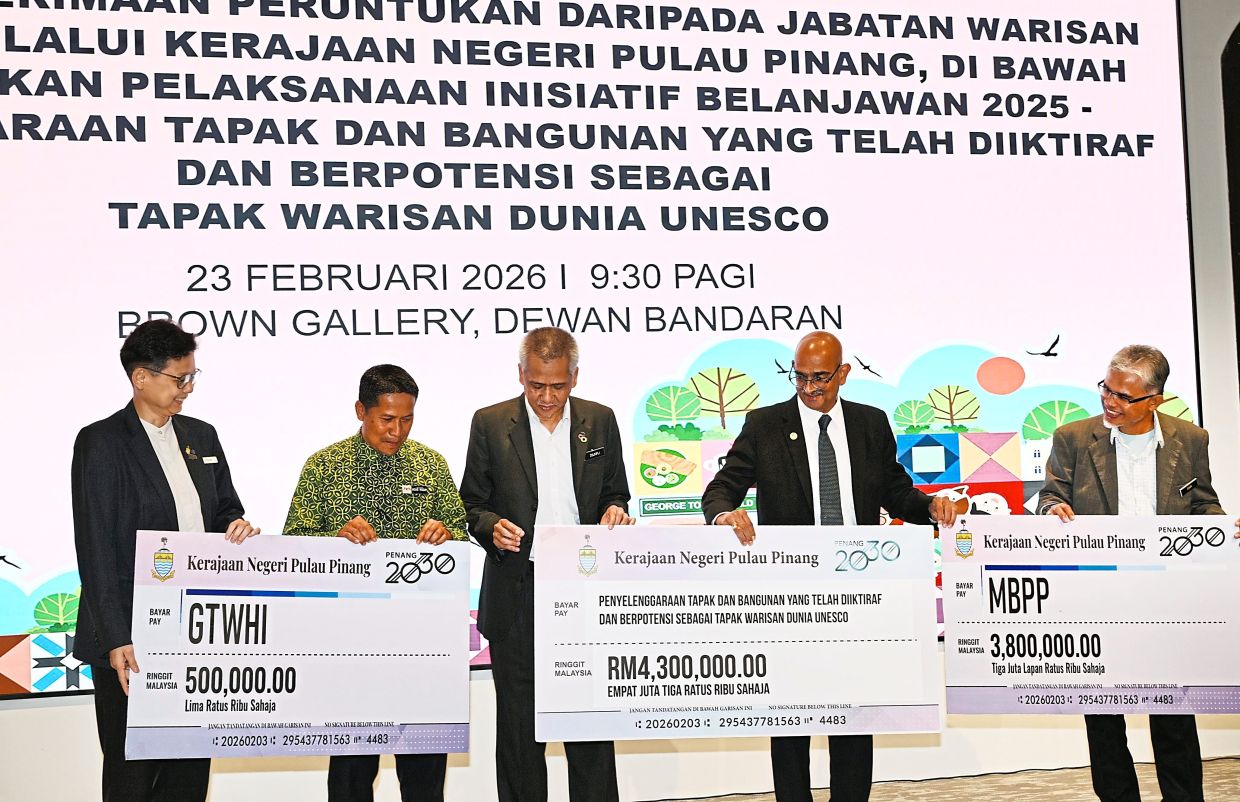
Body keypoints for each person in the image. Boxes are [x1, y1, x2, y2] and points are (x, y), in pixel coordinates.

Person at [701, 331, 957, 802]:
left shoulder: (870, 423)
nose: (808, 387)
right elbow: (720, 489)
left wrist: (931, 506)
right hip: (789, 595)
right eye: (799, 376)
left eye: (819, 377)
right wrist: (724, 513)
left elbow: (895, 492)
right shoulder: (764, 424)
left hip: (858, 591)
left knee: (855, 713)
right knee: (791, 717)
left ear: (843, 374)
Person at [72, 320, 259, 802]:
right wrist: (116, 637)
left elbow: (224, 510)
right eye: (180, 379)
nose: (188, 389)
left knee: (189, 768)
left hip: (195, 629)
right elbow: (95, 547)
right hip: (131, 635)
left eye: (194, 377)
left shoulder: (203, 435)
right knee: (133, 770)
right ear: (141, 378)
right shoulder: (101, 442)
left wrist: (236, 527)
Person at [1040, 344, 1235, 802]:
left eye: (1123, 397)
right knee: (1104, 724)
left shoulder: (1191, 439)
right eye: (1106, 389)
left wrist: (1223, 527)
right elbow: (1049, 496)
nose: (1110, 401)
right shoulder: (1071, 436)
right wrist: (1053, 509)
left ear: (1155, 400)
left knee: (1173, 720)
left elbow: (1203, 504)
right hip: (1097, 599)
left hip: (1166, 599)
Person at [460, 327, 633, 802]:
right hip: (518, 592)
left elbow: (617, 492)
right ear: (521, 374)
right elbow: (470, 505)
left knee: (590, 725)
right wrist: (491, 525)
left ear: (574, 377)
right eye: (537, 385)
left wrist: (615, 510)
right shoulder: (490, 423)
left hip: (585, 592)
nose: (547, 397)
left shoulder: (600, 421)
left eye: (557, 385)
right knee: (519, 730)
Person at [282, 364, 467, 802]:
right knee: (351, 772)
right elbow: (293, 544)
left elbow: (460, 530)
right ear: (361, 411)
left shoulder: (431, 463)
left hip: (423, 644)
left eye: (407, 419)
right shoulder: (325, 467)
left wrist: (446, 533)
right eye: (387, 419)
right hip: (351, 647)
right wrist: (336, 538)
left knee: (425, 773)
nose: (397, 430)